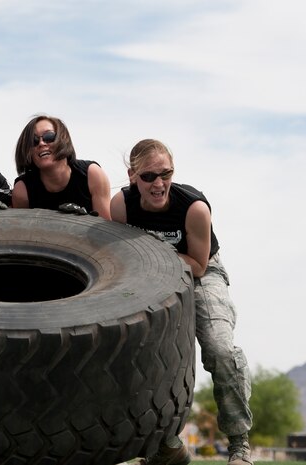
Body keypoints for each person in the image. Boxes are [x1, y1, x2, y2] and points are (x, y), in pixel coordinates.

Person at [110, 139, 253, 465]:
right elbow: (116, 255)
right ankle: (157, 447)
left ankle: (239, 445)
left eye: (166, 174)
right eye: (148, 177)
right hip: (146, 277)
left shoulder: (194, 207)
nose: (158, 184)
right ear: (132, 175)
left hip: (201, 274)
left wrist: (151, 254)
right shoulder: (120, 205)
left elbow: (199, 265)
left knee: (219, 348)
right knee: (133, 355)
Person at [11, 114, 111, 219]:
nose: (41, 143)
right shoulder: (22, 189)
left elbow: (107, 228)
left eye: (49, 137)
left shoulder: (92, 174)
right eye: (33, 141)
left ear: (63, 139)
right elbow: (21, 232)